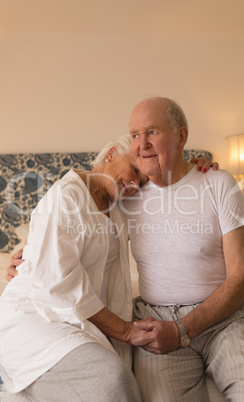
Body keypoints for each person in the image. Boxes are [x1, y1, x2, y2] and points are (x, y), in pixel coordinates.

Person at [1, 133, 213, 402]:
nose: (136, 183)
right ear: (111, 153)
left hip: (82, 319)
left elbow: (171, 201)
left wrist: (196, 170)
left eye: (143, 180)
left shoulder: (120, 204)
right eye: (135, 170)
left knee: (117, 376)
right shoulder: (66, 197)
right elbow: (56, 283)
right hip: (38, 316)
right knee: (111, 379)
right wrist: (126, 330)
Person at [119, 97, 244, 402]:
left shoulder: (218, 183)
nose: (142, 144)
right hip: (157, 326)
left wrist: (184, 329)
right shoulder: (127, 197)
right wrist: (27, 255)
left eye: (152, 132)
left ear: (182, 136)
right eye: (135, 135)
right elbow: (71, 225)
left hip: (228, 320)